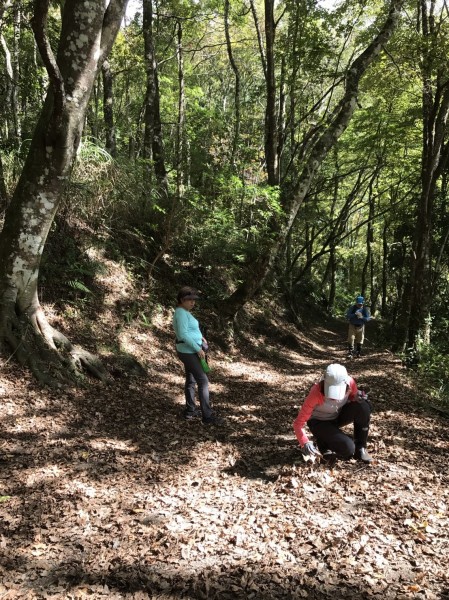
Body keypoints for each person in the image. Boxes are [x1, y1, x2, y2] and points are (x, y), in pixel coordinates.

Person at [293, 363, 373, 464]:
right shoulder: (316, 393)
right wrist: (304, 442)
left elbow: (353, 396)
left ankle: (361, 448)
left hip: (337, 416)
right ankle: (323, 441)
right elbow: (298, 424)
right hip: (319, 423)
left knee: (363, 406)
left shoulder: (350, 383)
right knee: (348, 449)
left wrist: (358, 397)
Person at [173, 286, 221, 425]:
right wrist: (197, 347)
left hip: (190, 349)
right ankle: (207, 416)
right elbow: (182, 334)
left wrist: (201, 339)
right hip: (189, 351)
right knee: (203, 381)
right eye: (189, 300)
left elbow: (190, 330)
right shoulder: (181, 313)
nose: (193, 302)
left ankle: (190, 410)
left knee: (191, 379)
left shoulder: (184, 312)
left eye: (194, 300)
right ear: (182, 300)